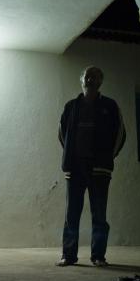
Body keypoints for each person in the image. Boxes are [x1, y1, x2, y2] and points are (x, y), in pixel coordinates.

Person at [56, 66, 126, 267]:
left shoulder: (110, 106)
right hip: (75, 168)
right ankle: (68, 256)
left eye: (95, 76)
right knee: (72, 214)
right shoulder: (71, 106)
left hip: (100, 170)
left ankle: (98, 256)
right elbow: (62, 133)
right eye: (88, 75)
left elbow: (120, 133)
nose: (91, 79)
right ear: (82, 80)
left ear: (100, 81)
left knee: (99, 214)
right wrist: (70, 154)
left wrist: (107, 157)